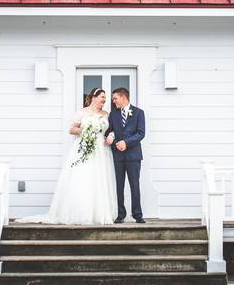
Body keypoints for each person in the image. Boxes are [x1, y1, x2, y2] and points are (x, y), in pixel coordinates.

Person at [13, 87, 117, 224]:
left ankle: (100, 213)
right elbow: (72, 129)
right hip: (84, 147)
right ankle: (82, 212)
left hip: (101, 149)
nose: (104, 100)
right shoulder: (81, 112)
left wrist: (111, 134)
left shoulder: (106, 114)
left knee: (100, 178)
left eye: (105, 98)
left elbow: (111, 130)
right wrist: (87, 130)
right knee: (83, 178)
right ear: (93, 97)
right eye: (102, 97)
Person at [104, 87, 145, 223]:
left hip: (133, 156)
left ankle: (137, 215)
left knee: (134, 185)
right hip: (118, 156)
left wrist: (126, 143)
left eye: (115, 98)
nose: (113, 101)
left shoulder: (139, 113)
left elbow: (140, 133)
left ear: (123, 97)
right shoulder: (113, 114)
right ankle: (121, 214)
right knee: (119, 186)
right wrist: (112, 139)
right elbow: (109, 132)